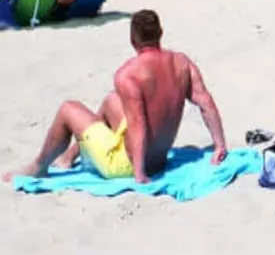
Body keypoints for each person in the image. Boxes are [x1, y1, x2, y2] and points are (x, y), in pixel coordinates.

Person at [5, 10, 227, 183]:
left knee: (68, 108)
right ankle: (69, 155)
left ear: (133, 40)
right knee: (112, 100)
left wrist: (139, 173)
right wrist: (220, 146)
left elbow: (139, 124)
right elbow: (206, 103)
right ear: (160, 33)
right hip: (159, 160)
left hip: (126, 165)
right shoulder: (182, 63)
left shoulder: (128, 74)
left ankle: (39, 167)